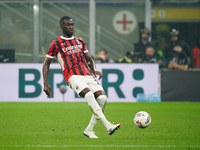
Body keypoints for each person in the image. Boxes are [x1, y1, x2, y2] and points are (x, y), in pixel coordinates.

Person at [42, 16, 120, 138]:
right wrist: (45, 82)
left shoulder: (80, 41)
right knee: (89, 95)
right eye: (68, 25)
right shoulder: (56, 43)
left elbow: (89, 59)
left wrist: (94, 70)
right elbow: (46, 63)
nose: (71, 27)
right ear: (61, 26)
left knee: (102, 99)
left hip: (88, 75)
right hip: (72, 76)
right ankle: (108, 125)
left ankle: (89, 130)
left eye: (72, 24)